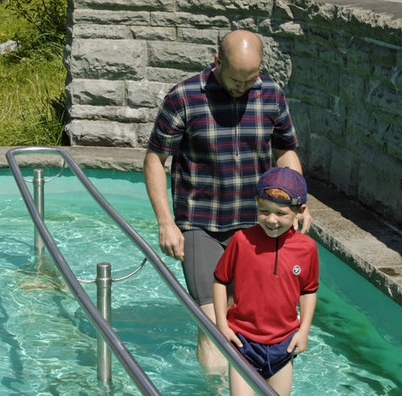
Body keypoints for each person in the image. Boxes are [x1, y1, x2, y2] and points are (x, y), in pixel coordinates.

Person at [143, 29, 312, 372]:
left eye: (251, 79)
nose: (243, 88)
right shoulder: (185, 97)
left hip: (257, 226)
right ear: (217, 62)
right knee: (214, 323)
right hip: (200, 224)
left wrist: (298, 203)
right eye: (236, 80)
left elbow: (285, 152)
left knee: (248, 320)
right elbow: (154, 160)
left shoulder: (271, 95)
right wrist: (166, 222)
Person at [213, 167, 318, 396]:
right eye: (264, 211)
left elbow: (309, 290)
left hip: (284, 344)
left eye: (281, 213)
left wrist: (304, 331)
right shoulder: (241, 241)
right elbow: (220, 281)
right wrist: (221, 324)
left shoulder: (307, 248)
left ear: (299, 212)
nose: (271, 220)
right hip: (243, 342)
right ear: (256, 205)